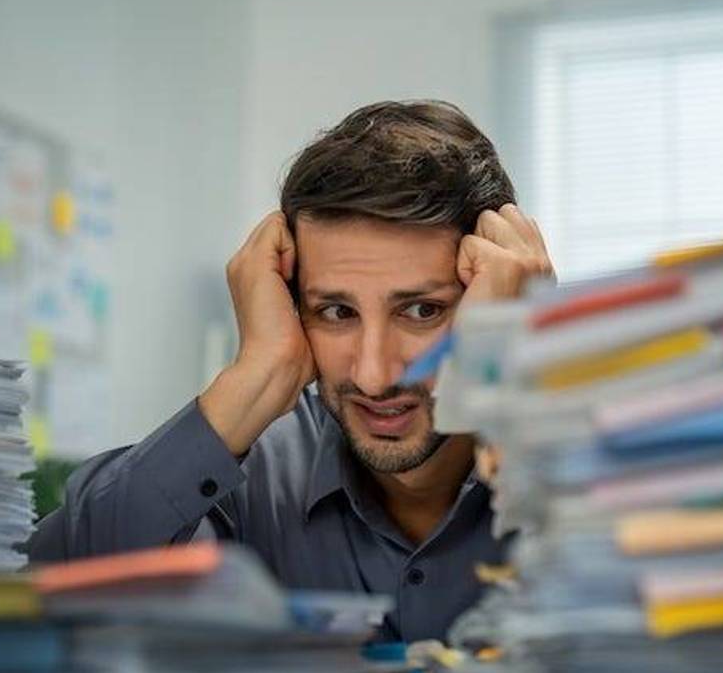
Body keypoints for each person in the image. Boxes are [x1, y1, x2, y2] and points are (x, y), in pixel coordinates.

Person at [27, 99, 551, 642]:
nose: (373, 376)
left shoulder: (592, 463)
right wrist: (254, 376)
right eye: (336, 312)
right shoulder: (248, 472)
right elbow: (29, 598)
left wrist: (523, 362)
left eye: (422, 311)